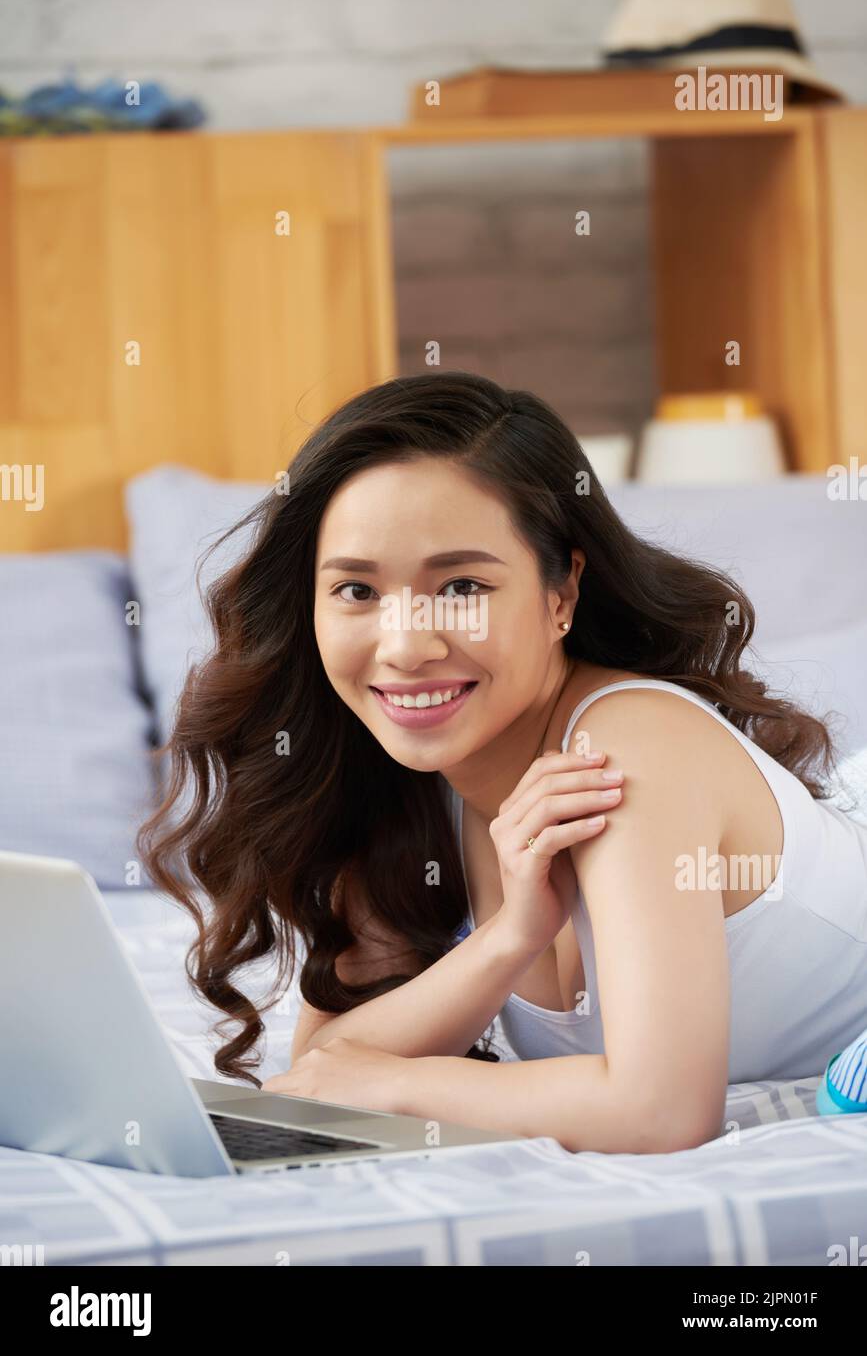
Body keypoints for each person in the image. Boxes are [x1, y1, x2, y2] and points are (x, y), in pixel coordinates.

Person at [138, 371, 867, 1155]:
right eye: (356, 589)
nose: (407, 645)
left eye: (461, 585)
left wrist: (393, 1085)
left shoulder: (623, 752)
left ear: (561, 594)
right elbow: (325, 1067)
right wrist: (506, 937)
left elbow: (660, 1109)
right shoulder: (401, 779)